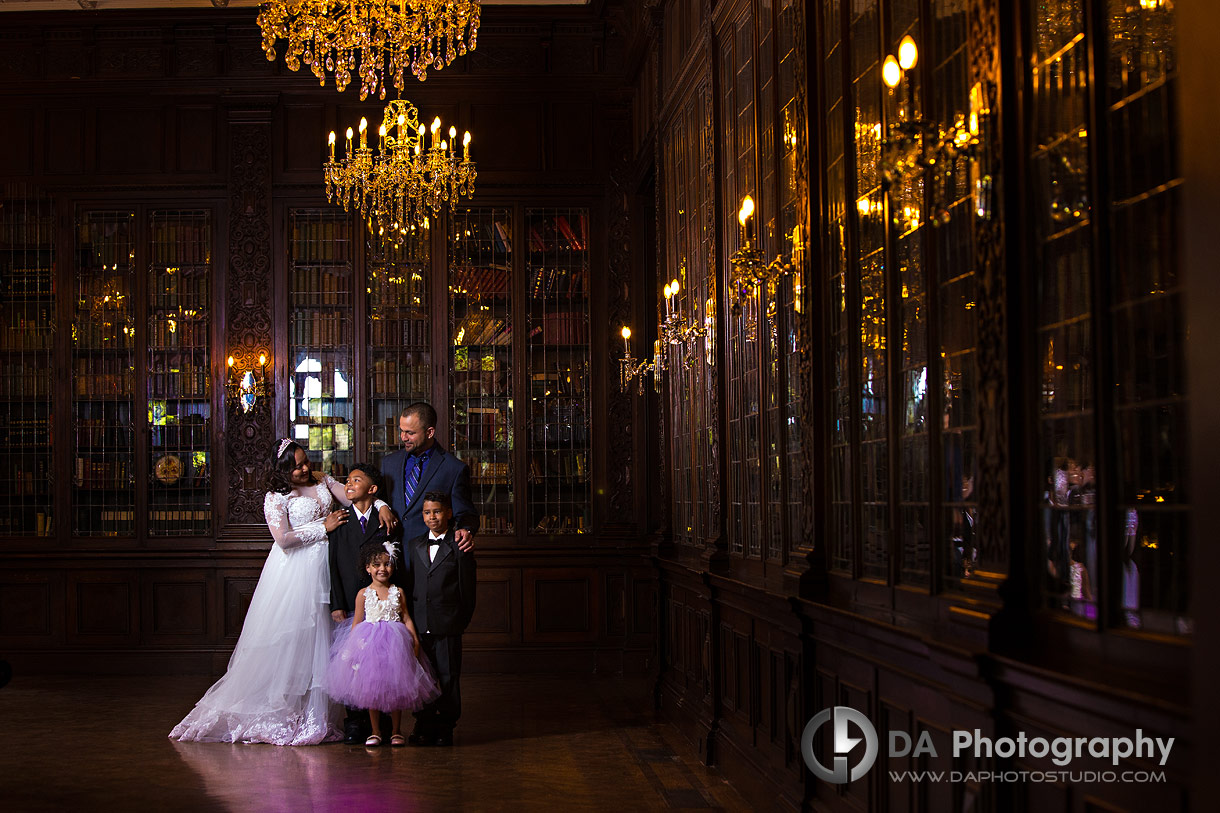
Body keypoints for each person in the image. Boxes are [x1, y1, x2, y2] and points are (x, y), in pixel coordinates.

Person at [170, 439, 397, 745]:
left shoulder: (321, 479)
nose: (305, 469)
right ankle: (288, 710)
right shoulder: (275, 497)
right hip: (297, 570)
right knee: (296, 638)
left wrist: (381, 503)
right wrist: (323, 527)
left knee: (329, 637)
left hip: (327, 566)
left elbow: (353, 496)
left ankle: (327, 714)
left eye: (306, 461)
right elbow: (283, 539)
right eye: (297, 466)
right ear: (282, 470)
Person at [326, 541, 439, 747]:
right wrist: (353, 648)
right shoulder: (363, 594)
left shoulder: (398, 592)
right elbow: (357, 622)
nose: (382, 569)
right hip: (370, 645)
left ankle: (396, 731)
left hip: (396, 644)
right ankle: (375, 731)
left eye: (387, 564)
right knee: (371, 688)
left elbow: (406, 618)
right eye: (377, 565)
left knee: (396, 686)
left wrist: (413, 639)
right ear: (368, 568)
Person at [328, 463, 396, 744]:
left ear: (372, 489)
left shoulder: (386, 519)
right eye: (348, 479)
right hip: (350, 603)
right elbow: (332, 566)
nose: (349, 483)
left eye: (357, 479)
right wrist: (336, 604)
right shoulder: (340, 521)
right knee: (352, 664)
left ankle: (385, 722)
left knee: (381, 664)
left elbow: (393, 564)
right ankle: (354, 722)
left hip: (379, 605)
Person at [407, 491, 477, 746]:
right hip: (420, 621)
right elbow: (411, 582)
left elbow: (467, 587)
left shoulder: (459, 545)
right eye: (427, 512)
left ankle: (445, 725)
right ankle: (423, 723)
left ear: (448, 513)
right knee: (422, 675)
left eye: (437, 511)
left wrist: (460, 620)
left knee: (448, 675)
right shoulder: (414, 544)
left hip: (448, 622)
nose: (432, 517)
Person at [380, 402, 478, 559]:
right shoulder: (389, 463)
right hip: (392, 558)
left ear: (430, 432)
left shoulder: (454, 468)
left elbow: (466, 514)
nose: (403, 437)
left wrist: (466, 530)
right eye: (401, 431)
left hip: (431, 559)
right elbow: (378, 501)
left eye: (410, 433)